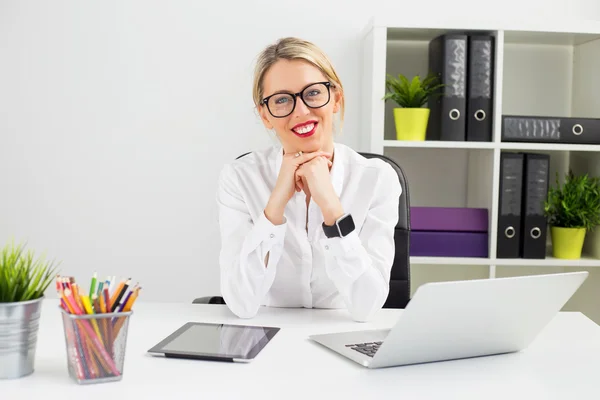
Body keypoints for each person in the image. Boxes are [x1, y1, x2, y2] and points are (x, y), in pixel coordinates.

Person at [216, 37, 402, 322]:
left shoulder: (377, 178)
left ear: (336, 98)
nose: (301, 111)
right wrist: (275, 205)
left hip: (340, 333)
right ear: (265, 115)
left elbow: (368, 306)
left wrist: (332, 209)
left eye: (313, 93)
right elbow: (242, 303)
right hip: (265, 331)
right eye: (281, 100)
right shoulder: (240, 178)